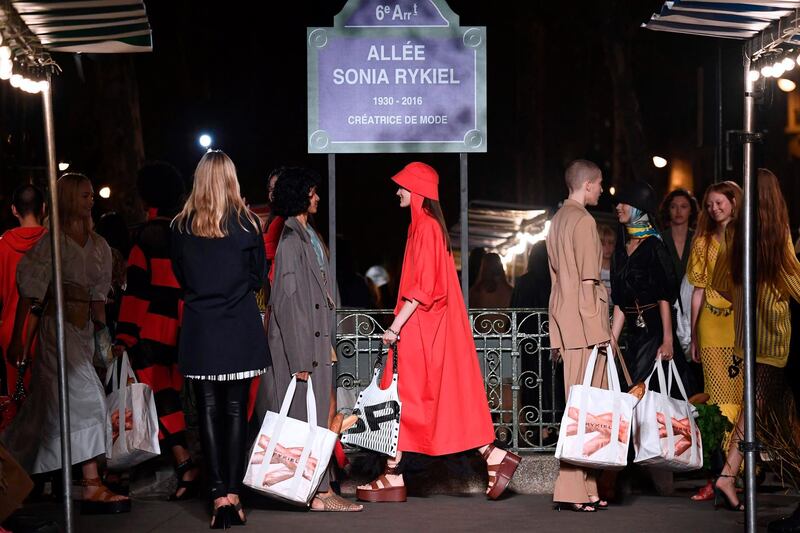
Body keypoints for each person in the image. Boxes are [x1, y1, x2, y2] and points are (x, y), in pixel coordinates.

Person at [356, 162, 520, 503]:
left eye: (402, 186)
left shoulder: (426, 228)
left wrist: (395, 325)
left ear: (417, 190)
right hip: (424, 329)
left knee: (407, 401)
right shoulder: (423, 227)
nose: (397, 191)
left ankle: (393, 475)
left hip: (420, 331)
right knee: (421, 403)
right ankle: (489, 456)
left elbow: (423, 287)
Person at [1, 173, 129, 514]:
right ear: (70, 198)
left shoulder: (99, 246)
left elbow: (100, 303)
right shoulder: (51, 242)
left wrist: (104, 350)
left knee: (45, 411)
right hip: (55, 332)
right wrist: (19, 342)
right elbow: (32, 297)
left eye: (92, 195)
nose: (91, 201)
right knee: (88, 399)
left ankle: (12, 466)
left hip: (84, 332)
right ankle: (91, 484)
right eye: (85, 195)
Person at [171, 150, 270, 527]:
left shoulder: (180, 226)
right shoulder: (248, 225)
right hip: (239, 328)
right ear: (232, 179)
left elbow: (182, 277)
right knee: (234, 414)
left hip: (200, 328)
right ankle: (233, 494)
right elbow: (258, 277)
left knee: (207, 414)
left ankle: (216, 497)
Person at [264, 167, 362, 512]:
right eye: (312, 191)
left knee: (315, 420)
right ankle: (319, 493)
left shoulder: (307, 235)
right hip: (306, 348)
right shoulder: (292, 241)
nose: (317, 196)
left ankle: (316, 491)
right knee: (308, 422)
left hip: (318, 344)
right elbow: (288, 304)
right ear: (299, 195)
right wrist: (301, 358)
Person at [710, 169, 800, 513]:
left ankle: (739, 474)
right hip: (775, 334)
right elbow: (794, 280)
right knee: (757, 407)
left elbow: (719, 282)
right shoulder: (777, 233)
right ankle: (728, 475)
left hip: (746, 333)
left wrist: (745, 301)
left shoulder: (735, 231)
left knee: (764, 406)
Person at [113, 162, 199, 501]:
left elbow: (137, 292)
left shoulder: (144, 237)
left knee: (156, 400)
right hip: (181, 328)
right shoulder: (186, 233)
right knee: (171, 398)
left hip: (149, 330)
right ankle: (186, 464)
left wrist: (125, 336)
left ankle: (182, 464)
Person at [546, 159, 612, 513]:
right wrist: (601, 331)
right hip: (586, 330)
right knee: (584, 411)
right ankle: (572, 487)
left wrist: (557, 335)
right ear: (587, 184)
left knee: (580, 408)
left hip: (567, 325)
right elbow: (589, 281)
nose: (602, 189)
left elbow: (556, 285)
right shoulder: (585, 221)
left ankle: (585, 487)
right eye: (600, 183)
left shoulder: (557, 221)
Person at [684, 181, 742, 502]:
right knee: (718, 403)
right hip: (711, 326)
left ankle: (740, 471)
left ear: (734, 202)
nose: (713, 209)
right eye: (708, 204)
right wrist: (693, 333)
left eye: (719, 202)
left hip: (741, 324)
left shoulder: (746, 238)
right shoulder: (703, 242)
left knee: (744, 400)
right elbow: (697, 290)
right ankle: (719, 473)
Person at [0, 184, 46, 400]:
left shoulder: (3, 246)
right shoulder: (53, 244)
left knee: (17, 402)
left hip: (12, 332)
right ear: (44, 208)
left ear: (14, 210)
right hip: (47, 330)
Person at [660, 188, 699, 284]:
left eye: (684, 206)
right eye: (673, 207)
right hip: (664, 297)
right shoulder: (659, 239)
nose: (678, 211)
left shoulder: (699, 238)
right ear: (668, 210)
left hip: (692, 296)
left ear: (691, 210)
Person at [598, 224, 616, 303]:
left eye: (611, 243)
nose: (608, 247)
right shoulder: (593, 270)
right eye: (603, 244)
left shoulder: (618, 270)